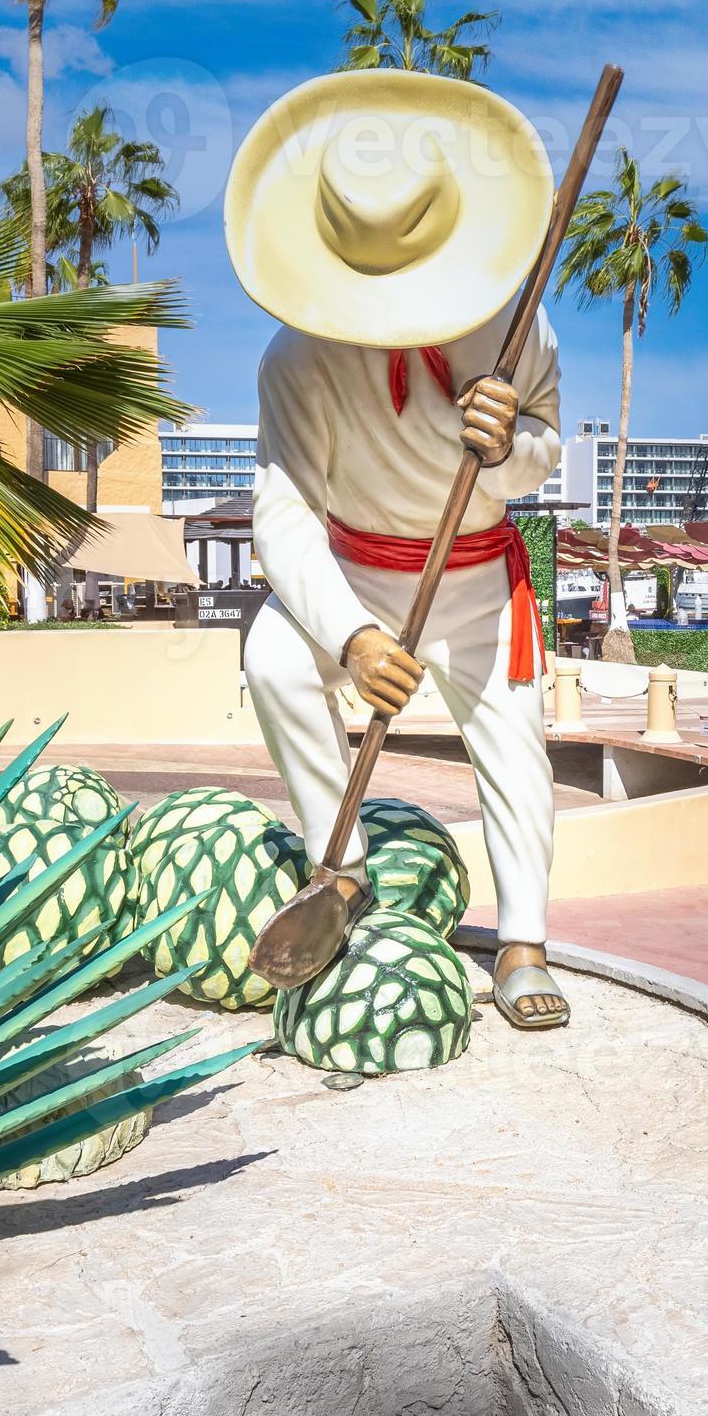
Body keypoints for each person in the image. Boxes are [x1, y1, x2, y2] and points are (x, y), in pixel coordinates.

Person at [222, 68, 569, 1030]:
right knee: (271, 658)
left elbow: (546, 454)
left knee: (512, 744)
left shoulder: (515, 319)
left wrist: (506, 447)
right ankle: (344, 876)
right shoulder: (296, 357)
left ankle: (524, 942)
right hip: (357, 577)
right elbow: (284, 513)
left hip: (477, 579)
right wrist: (352, 639)